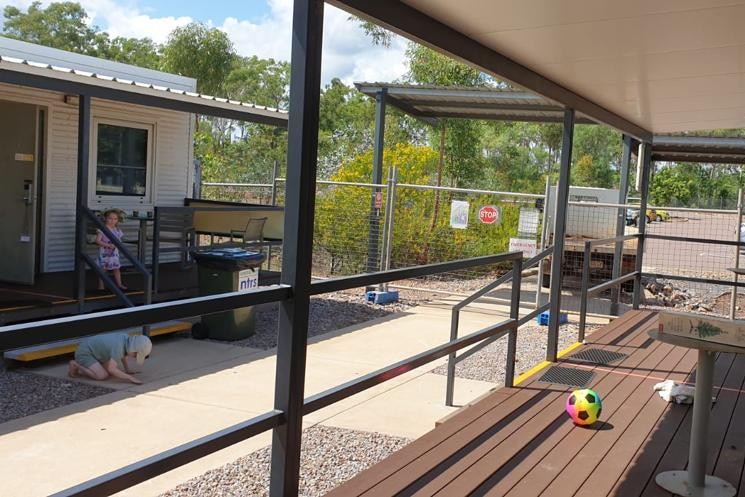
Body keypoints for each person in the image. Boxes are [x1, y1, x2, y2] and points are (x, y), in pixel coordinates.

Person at [68, 333, 152, 385]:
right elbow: (111, 369)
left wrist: (127, 370)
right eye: (135, 355)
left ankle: (92, 365)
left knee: (110, 372)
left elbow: (123, 356)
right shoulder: (118, 347)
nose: (134, 357)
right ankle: (76, 364)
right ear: (133, 349)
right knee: (102, 376)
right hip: (85, 353)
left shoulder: (126, 339)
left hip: (95, 353)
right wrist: (129, 377)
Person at [96, 208, 127, 290]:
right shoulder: (102, 229)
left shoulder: (117, 230)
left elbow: (120, 239)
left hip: (114, 253)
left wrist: (118, 244)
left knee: (116, 268)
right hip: (105, 252)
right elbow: (98, 241)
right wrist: (107, 245)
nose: (112, 221)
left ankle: (119, 284)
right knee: (103, 269)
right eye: (110, 218)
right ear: (105, 218)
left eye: (115, 219)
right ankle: (101, 286)